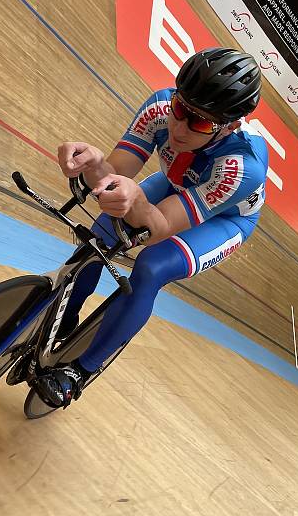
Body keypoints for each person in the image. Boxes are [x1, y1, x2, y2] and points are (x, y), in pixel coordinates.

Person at [32, 47, 269, 408]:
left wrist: (137, 203)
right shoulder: (160, 106)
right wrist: (94, 164)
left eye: (200, 123)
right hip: (177, 184)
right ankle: (65, 315)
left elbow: (159, 227)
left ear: (230, 126)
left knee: (151, 267)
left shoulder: (243, 166)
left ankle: (80, 371)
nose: (179, 128)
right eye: (180, 110)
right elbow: (115, 175)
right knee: (102, 233)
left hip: (225, 218)